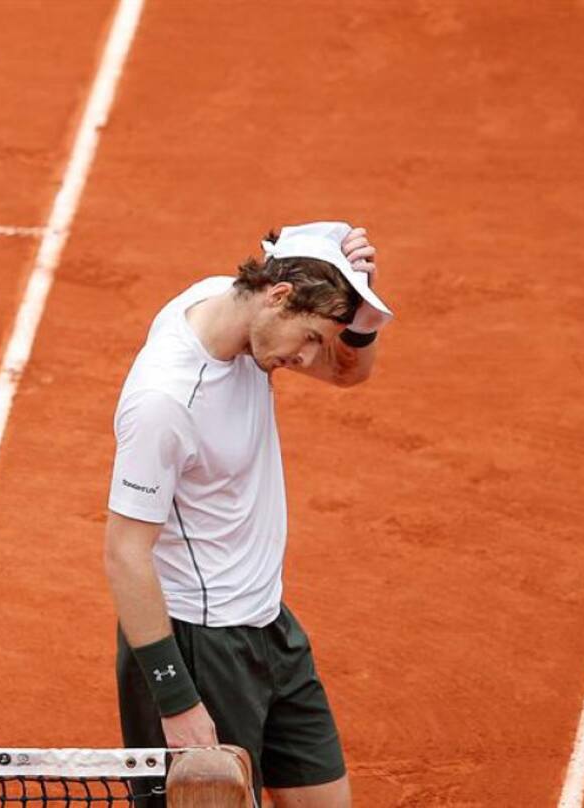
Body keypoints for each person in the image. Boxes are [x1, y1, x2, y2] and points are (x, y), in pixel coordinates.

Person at [104, 222, 392, 807]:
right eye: (310, 337)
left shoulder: (236, 309)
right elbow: (124, 552)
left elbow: (346, 371)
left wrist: (357, 317)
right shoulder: (166, 401)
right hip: (196, 645)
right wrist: (177, 702)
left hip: (267, 622)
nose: (307, 358)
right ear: (280, 296)